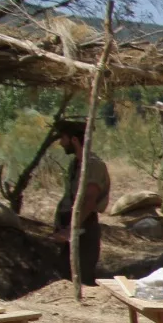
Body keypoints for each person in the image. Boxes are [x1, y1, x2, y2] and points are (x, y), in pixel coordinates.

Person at [52, 119, 112, 285]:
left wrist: (71, 229)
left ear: (74, 140)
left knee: (81, 278)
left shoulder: (92, 165)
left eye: (63, 138)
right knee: (65, 275)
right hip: (72, 226)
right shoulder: (75, 164)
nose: (61, 143)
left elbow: (89, 202)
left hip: (83, 228)